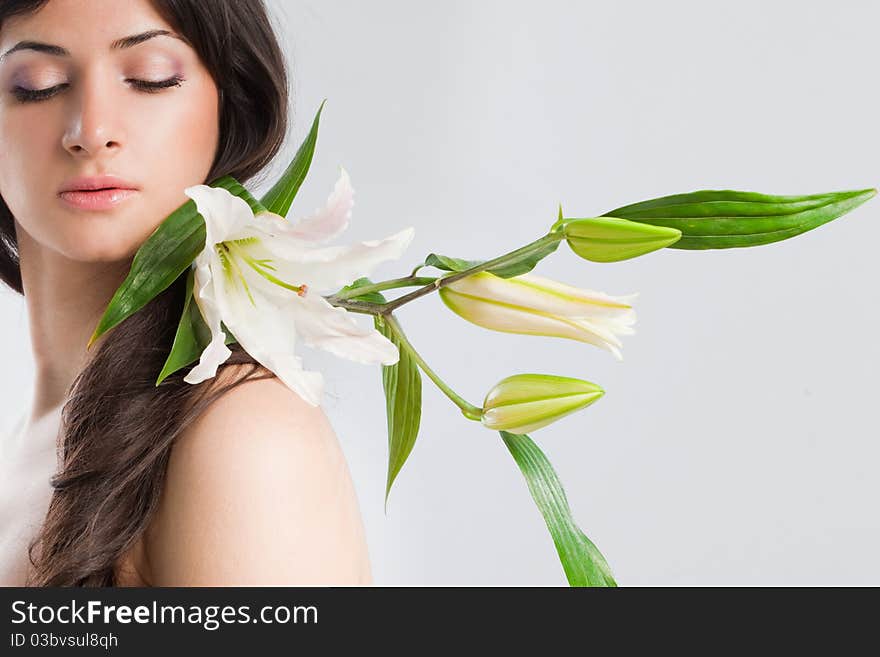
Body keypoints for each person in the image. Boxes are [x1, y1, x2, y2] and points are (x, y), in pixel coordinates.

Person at [0, 0, 373, 586]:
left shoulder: (240, 435)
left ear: (231, 104)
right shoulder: (25, 440)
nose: (91, 132)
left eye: (151, 78)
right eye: (37, 85)